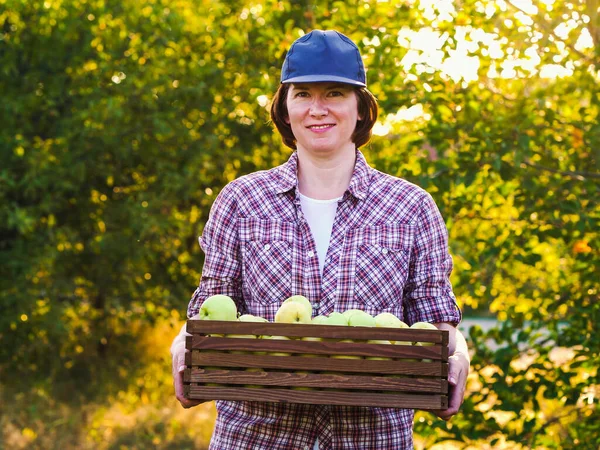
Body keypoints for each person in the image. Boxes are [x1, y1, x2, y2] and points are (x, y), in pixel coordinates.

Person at [171, 29, 470, 449]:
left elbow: (437, 318)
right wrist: (182, 345)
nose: (318, 109)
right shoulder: (241, 200)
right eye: (302, 94)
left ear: (361, 109)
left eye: (334, 93)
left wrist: (458, 357)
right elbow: (212, 306)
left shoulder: (411, 206)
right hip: (258, 435)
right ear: (284, 109)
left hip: (372, 436)